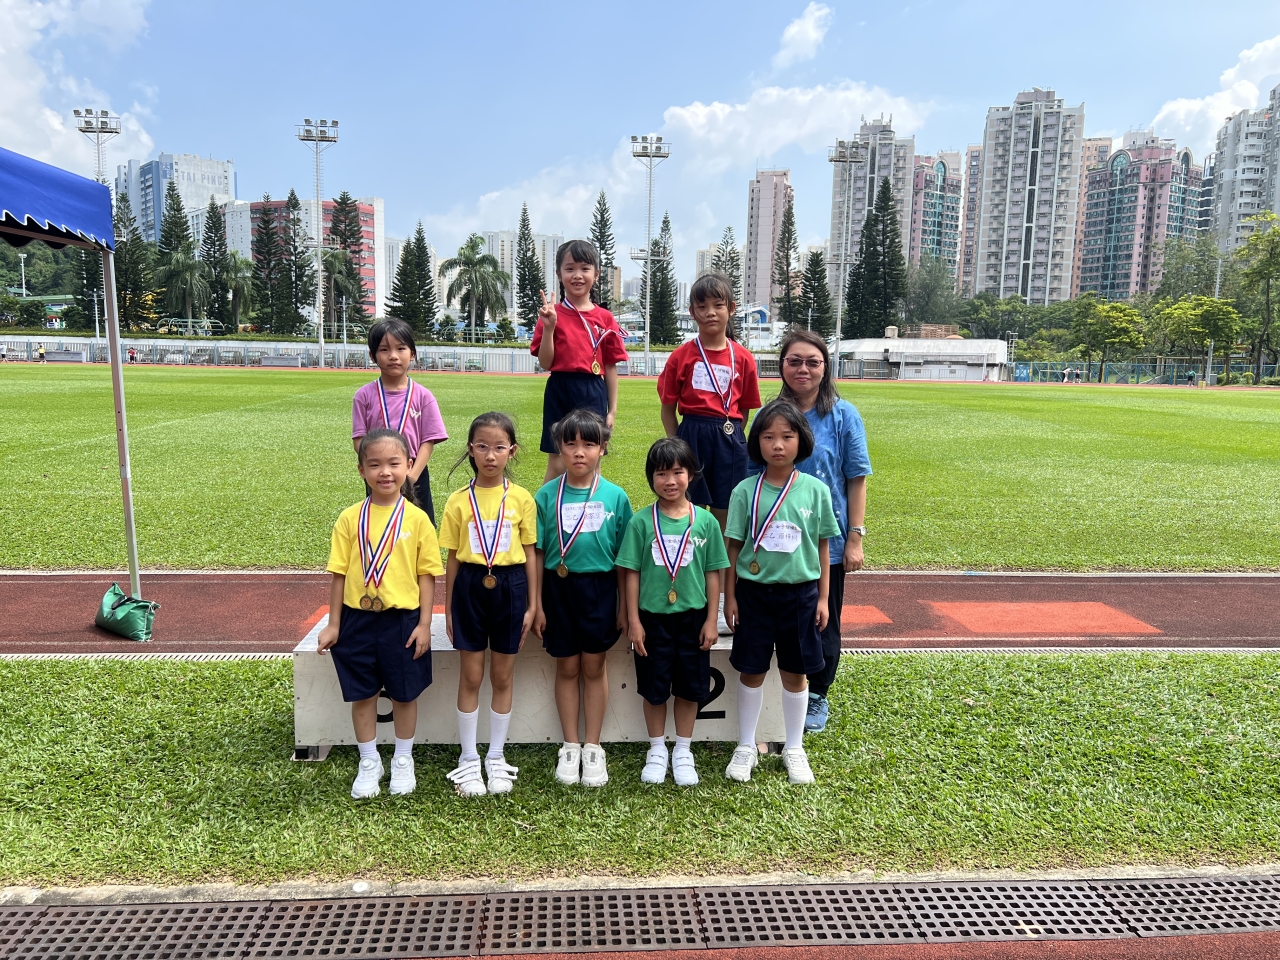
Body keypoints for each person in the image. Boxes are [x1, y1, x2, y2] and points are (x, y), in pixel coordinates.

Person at [317, 428, 442, 799]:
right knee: (363, 694)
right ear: (361, 470)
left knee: (404, 695)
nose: (385, 472)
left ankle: (403, 759)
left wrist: (424, 624)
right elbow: (339, 574)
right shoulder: (349, 519)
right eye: (374, 465)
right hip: (356, 620)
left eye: (394, 463)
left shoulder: (418, 519)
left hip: (402, 621)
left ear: (409, 466)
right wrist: (334, 624)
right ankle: (369, 760)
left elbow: (427, 576)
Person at [723, 398, 839, 785]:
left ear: (801, 441)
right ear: (756, 441)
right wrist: (730, 596)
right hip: (753, 594)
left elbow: (823, 547)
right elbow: (733, 549)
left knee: (795, 672)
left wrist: (823, 598)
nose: (777, 445)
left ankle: (794, 747)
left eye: (787, 436)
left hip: (800, 596)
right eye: (768, 436)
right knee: (751, 670)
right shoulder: (744, 491)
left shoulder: (815, 491)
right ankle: (745, 745)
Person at [764, 328, 871, 734]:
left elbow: (856, 478)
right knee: (777, 619)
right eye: (794, 361)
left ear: (826, 368)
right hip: (775, 541)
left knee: (824, 619)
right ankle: (778, 687)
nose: (803, 369)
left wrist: (855, 536)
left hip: (829, 540)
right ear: (782, 366)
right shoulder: (769, 415)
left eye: (813, 362)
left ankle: (817, 693)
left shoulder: (844, 415)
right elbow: (755, 476)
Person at [617, 437, 729, 786]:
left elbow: (713, 574)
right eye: (661, 473)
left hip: (693, 620)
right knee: (654, 688)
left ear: (691, 475)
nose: (670, 480)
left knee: (689, 688)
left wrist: (711, 620)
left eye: (678, 472)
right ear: (651, 478)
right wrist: (634, 621)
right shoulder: (641, 522)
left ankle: (682, 749)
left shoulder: (705, 522)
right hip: (651, 621)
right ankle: (656, 750)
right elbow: (631, 574)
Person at [438, 412, 538, 797]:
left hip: (511, 587)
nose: (490, 455)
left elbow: (531, 554)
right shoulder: (458, 501)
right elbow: (452, 558)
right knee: (471, 676)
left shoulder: (522, 498)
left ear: (512, 451)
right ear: (470, 450)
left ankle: (495, 756)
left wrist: (532, 603)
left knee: (502, 676)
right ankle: (468, 758)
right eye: (482, 446)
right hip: (469, 587)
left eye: (499, 447)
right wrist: (448, 607)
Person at [532, 408, 632, 786]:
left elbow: (624, 559)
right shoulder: (546, 495)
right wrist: (537, 604)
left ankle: (593, 745)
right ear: (559, 447)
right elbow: (536, 554)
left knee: (594, 666)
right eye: (570, 443)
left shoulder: (615, 497)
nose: (579, 452)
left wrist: (624, 606)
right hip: (558, 589)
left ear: (602, 448)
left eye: (589, 444)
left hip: (600, 591)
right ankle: (570, 744)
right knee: (567, 667)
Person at [657, 272, 762, 531]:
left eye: (718, 305)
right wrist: (677, 445)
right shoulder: (680, 357)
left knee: (725, 508)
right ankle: (691, 553)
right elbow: (668, 409)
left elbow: (744, 408)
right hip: (691, 435)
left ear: (731, 308)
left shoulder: (744, 358)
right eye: (702, 307)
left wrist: (732, 434)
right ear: (692, 312)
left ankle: (721, 558)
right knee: (689, 505)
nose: (710, 313)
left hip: (729, 437)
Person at [530, 240, 628, 483]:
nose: (577, 275)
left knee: (592, 460)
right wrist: (549, 328)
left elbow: (610, 367)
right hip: (559, 388)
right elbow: (546, 363)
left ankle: (591, 506)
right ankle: (547, 508)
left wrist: (612, 410)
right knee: (557, 460)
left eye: (585, 268)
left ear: (596, 274)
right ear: (559, 274)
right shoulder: (550, 314)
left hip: (593, 390)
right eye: (570, 268)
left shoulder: (605, 318)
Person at [352, 319, 448, 525]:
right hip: (379, 474)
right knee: (379, 525)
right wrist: (375, 467)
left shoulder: (424, 396)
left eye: (401, 348)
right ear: (372, 356)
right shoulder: (363, 396)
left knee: (419, 526)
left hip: (415, 471)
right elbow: (359, 440)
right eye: (384, 349)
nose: (393, 356)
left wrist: (411, 476)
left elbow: (428, 442)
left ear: (412, 353)